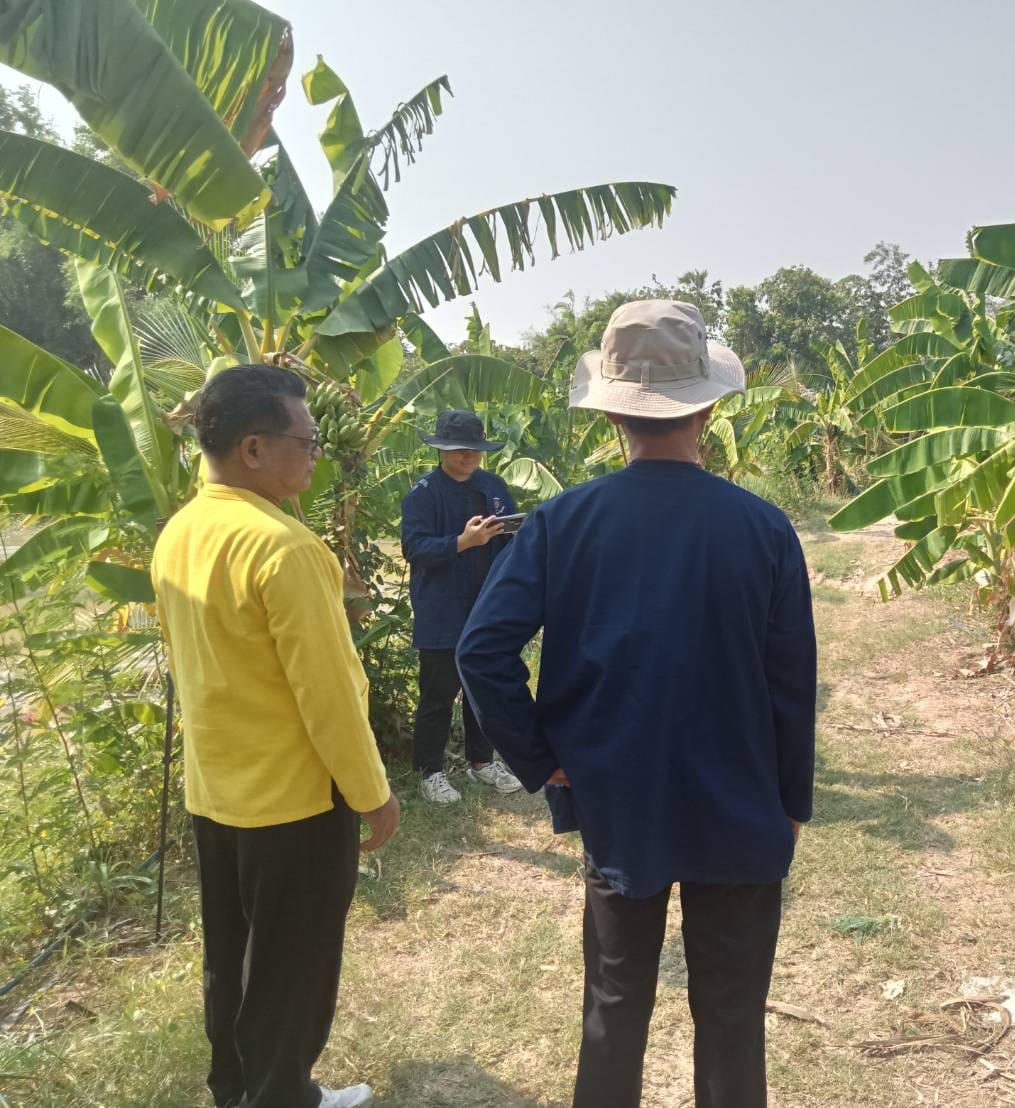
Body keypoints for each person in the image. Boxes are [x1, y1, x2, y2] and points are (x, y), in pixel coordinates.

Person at [457, 300, 818, 1108]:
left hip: (616, 796)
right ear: (710, 407)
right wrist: (791, 797)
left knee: (615, 1003)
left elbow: (482, 652)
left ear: (613, 410)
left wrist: (543, 759)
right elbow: (792, 681)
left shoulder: (560, 522)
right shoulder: (762, 528)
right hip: (741, 799)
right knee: (730, 1013)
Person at [152, 365, 401, 1108]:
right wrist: (372, 794)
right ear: (254, 449)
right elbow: (327, 697)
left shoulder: (181, 531)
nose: (316, 451)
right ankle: (280, 1096)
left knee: (232, 958)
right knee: (292, 966)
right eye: (309, 438)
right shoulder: (282, 549)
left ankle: (240, 1087)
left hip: (218, 789)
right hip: (293, 798)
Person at [400, 409, 522, 804]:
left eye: (475, 449)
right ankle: (430, 770)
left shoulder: (494, 486)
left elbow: (509, 533)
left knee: (481, 688)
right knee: (438, 693)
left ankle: (482, 762)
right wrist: (462, 543)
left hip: (487, 603)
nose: (469, 456)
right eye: (460, 449)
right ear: (441, 450)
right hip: (441, 607)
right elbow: (413, 548)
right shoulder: (424, 493)